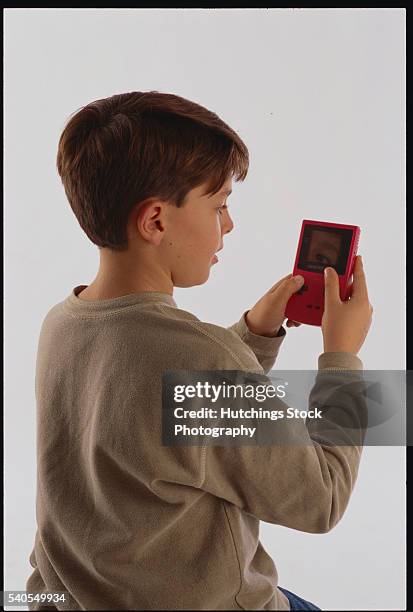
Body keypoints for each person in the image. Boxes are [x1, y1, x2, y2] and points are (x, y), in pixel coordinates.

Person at [26, 91, 373, 611]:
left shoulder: (63, 322)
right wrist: (342, 358)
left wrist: (254, 335)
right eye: (219, 204)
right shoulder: (199, 356)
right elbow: (322, 499)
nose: (229, 225)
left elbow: (162, 403)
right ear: (156, 221)